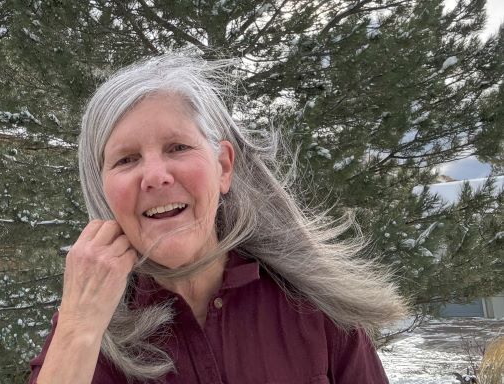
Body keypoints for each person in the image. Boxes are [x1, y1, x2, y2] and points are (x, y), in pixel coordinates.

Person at [28, 53, 407, 384]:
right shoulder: (92, 331)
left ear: (223, 166)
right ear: (103, 189)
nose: (156, 175)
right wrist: (79, 327)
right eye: (126, 159)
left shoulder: (313, 304)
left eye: (177, 147)